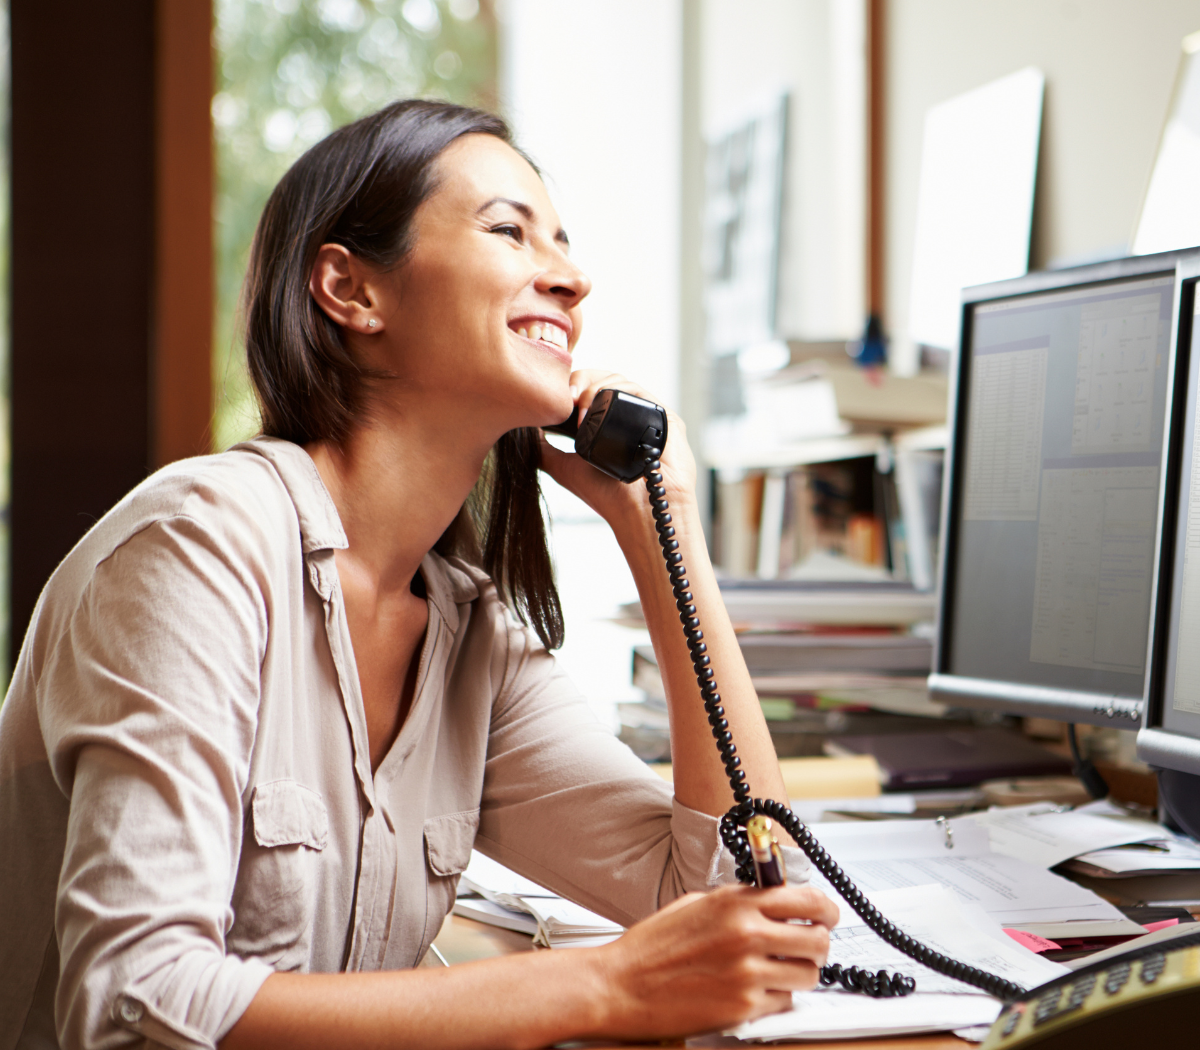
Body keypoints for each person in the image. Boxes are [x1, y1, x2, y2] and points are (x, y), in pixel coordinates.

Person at [0, 100, 837, 1050]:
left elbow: (741, 897)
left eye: (562, 242)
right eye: (509, 232)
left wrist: (665, 530)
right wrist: (600, 988)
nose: (571, 277)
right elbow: (132, 1000)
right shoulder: (196, 550)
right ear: (351, 292)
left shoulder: (467, 631)